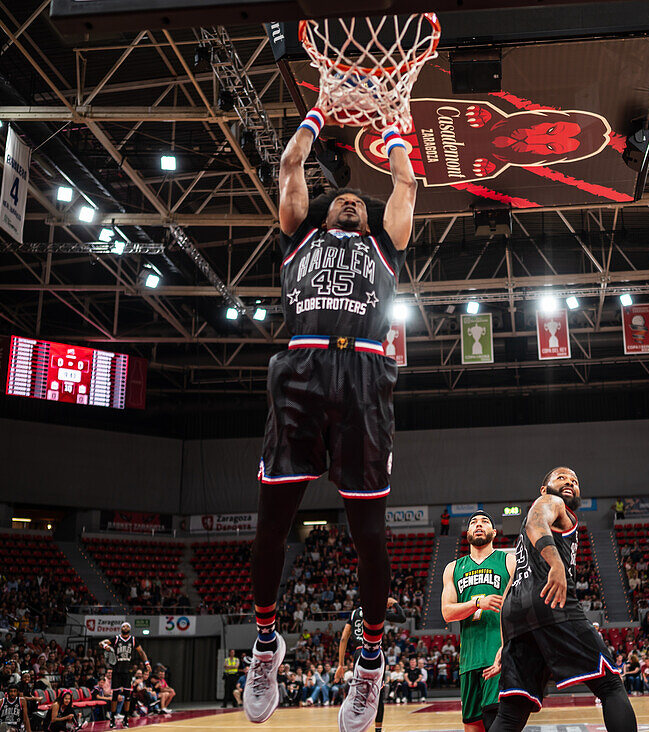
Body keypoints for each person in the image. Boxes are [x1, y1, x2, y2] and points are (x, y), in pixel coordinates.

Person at [244, 94, 418, 732]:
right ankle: (266, 644)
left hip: (366, 373)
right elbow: (291, 163)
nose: (353, 199)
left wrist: (395, 120)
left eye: (360, 203)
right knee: (270, 527)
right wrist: (320, 110)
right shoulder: (297, 238)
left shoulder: (386, 246)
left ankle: (370, 660)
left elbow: (403, 182)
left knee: (369, 536)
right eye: (343, 198)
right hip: (301, 370)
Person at [489, 467, 637, 732]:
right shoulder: (550, 502)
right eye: (561, 477)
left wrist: (505, 642)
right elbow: (536, 522)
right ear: (544, 489)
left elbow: (511, 585)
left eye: (575, 480)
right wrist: (556, 564)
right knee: (610, 684)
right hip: (551, 603)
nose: (569, 481)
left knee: (513, 711)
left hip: (517, 615)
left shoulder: (535, 532)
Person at [442, 510, 516, 732]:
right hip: (469, 660)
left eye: (485, 522)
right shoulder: (453, 568)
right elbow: (447, 613)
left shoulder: (508, 560)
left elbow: (518, 610)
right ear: (468, 532)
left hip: (498, 656)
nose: (479, 524)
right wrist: (477, 603)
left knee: (497, 723)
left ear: (494, 532)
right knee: (472, 726)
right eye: (474, 522)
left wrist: (508, 648)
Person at [335, 596, 405, 732]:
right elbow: (401, 617)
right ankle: (378, 730)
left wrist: (340, 664)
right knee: (377, 692)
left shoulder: (354, 613)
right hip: (375, 653)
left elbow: (344, 638)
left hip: (358, 654)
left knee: (359, 694)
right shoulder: (377, 611)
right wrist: (395, 603)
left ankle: (355, 726)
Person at [99, 622, 151, 728]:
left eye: (127, 626)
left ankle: (126, 719)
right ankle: (112, 718)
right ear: (121, 628)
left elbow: (141, 652)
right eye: (123, 626)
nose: (125, 627)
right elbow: (101, 642)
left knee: (128, 697)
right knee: (115, 696)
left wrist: (147, 663)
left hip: (128, 671)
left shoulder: (133, 640)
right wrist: (105, 646)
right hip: (117, 671)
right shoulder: (116, 639)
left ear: (130, 629)